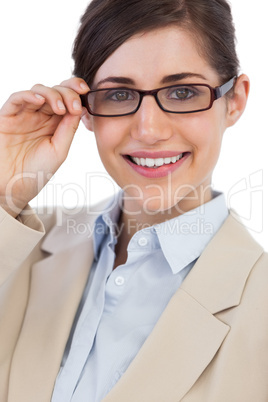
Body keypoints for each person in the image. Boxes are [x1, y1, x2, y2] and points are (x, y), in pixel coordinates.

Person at [0, 0, 267, 401]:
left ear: (236, 100)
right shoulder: (18, 241)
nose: (149, 130)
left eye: (182, 92)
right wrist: (4, 190)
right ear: (84, 108)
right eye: (119, 94)